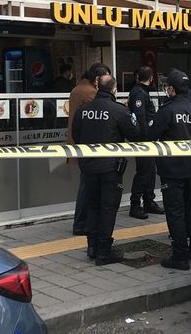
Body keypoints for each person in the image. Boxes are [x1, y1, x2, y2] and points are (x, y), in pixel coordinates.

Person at [72, 71, 140, 266]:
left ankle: (92, 247)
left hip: (88, 166)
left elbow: (76, 135)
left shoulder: (84, 110)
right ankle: (103, 252)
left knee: (92, 205)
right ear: (114, 90)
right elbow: (134, 133)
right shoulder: (119, 110)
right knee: (108, 208)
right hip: (110, 168)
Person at [149, 70, 191, 270]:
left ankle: (180, 256)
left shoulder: (166, 110)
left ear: (172, 89)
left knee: (175, 213)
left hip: (171, 171)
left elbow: (151, 135)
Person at [67, 63, 102, 236]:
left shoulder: (76, 89)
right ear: (97, 79)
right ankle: (81, 223)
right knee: (87, 185)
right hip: (88, 145)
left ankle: (82, 222)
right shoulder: (90, 93)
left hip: (77, 142)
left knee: (86, 183)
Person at [128, 66, 165, 220]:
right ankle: (135, 205)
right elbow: (140, 116)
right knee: (143, 173)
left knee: (150, 172)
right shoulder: (138, 92)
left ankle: (149, 200)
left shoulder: (142, 92)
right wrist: (146, 137)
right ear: (151, 79)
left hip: (149, 139)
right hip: (144, 140)